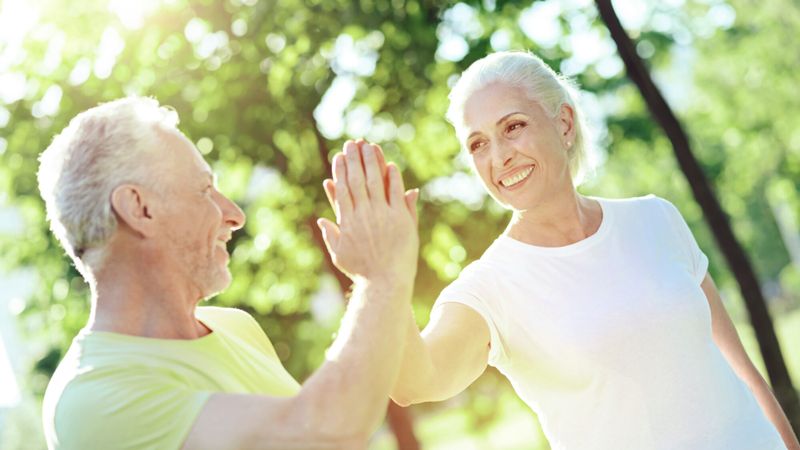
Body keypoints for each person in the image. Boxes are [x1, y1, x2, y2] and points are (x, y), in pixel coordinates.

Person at [332, 51, 799, 449]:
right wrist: (380, 277)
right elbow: (415, 383)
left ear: (564, 122)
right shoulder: (489, 287)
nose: (499, 157)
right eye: (478, 144)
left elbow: (741, 370)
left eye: (512, 127)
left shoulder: (655, 218)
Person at [38, 97, 420, 449]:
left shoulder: (236, 328)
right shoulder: (91, 399)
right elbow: (324, 431)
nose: (234, 214)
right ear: (140, 208)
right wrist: (381, 277)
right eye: (206, 190)